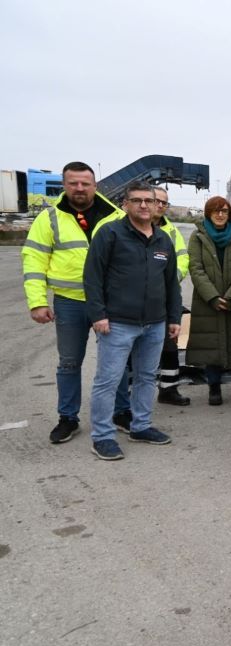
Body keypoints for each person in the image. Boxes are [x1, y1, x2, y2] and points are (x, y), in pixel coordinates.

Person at [21, 161, 129, 444]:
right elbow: (34, 260)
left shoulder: (117, 217)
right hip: (70, 302)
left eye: (85, 183)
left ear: (95, 185)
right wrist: (37, 301)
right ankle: (68, 418)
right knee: (69, 363)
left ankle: (121, 412)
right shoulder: (49, 218)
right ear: (64, 185)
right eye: (73, 183)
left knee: (116, 361)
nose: (79, 188)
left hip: (110, 303)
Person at [83, 182, 181, 460]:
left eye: (149, 200)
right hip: (118, 323)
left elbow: (171, 283)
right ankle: (102, 436)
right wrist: (98, 315)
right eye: (137, 200)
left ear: (156, 205)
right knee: (108, 380)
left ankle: (141, 426)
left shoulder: (163, 240)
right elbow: (92, 277)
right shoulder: (110, 234)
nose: (144, 205)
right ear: (125, 204)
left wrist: (173, 318)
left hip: (155, 324)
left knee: (146, 377)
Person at [186, 196, 231, 406]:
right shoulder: (197, 236)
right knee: (212, 345)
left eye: (224, 211)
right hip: (207, 302)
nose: (220, 215)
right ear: (208, 213)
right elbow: (196, 268)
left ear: (230, 214)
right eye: (216, 211)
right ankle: (214, 387)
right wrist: (212, 296)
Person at [151, 187, 191, 406]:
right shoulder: (126, 226)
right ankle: (125, 398)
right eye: (156, 200)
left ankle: (168, 389)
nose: (160, 206)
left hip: (166, 296)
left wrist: (170, 278)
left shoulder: (172, 231)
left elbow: (182, 258)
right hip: (136, 299)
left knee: (170, 344)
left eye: (164, 203)